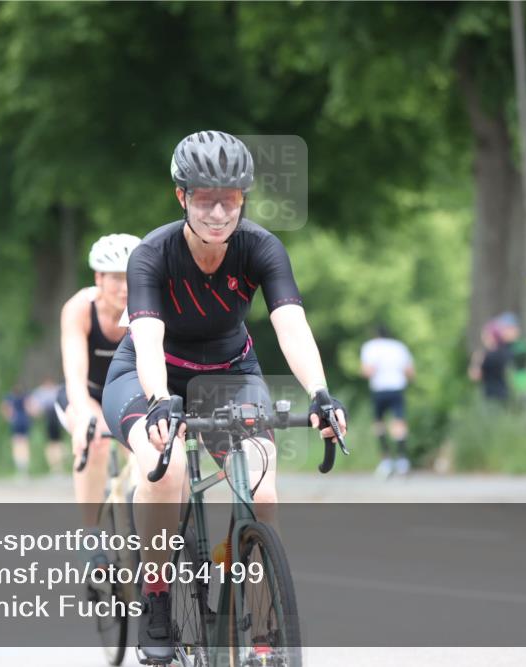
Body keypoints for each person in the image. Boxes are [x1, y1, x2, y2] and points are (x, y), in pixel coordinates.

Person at [101, 130, 347, 662]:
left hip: (231, 373)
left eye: (230, 199)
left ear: (243, 198)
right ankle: (157, 598)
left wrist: (320, 392)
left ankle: (262, 624)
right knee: (165, 468)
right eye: (205, 199)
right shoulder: (152, 253)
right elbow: (147, 338)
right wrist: (159, 399)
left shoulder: (261, 247)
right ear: (181, 196)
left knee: (262, 486)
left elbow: (290, 323)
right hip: (149, 376)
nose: (218, 213)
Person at [57, 233, 140, 566]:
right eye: (116, 278)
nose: (125, 287)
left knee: (146, 447)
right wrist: (86, 420)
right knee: (96, 441)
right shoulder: (80, 308)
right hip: (87, 392)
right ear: (99, 278)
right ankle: (90, 534)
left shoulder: (148, 308)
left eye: (130, 277)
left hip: (128, 393)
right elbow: (75, 375)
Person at [360, 324, 415, 477]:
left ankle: (386, 460)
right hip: (397, 388)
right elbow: (410, 372)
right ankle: (402, 459)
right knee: (399, 422)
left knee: (379, 424)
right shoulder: (399, 347)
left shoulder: (370, 347)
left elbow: (367, 371)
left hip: (379, 389)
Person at [25, 378, 66, 471]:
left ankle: (58, 465)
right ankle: (55, 466)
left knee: (58, 443)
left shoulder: (56, 389)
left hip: (57, 417)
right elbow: (33, 406)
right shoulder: (41, 392)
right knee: (52, 443)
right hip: (49, 418)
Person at [469, 320, 512, 404]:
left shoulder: (487, 356)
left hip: (492, 396)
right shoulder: (506, 351)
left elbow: (474, 376)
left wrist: (476, 361)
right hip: (506, 393)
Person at [0, 385, 31, 475]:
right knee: (24, 444)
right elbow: (29, 407)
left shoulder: (10, 397)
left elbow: (4, 407)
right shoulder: (24, 396)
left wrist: (8, 417)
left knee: (17, 445)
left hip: (16, 422)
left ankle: (20, 467)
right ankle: (24, 467)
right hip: (24, 421)